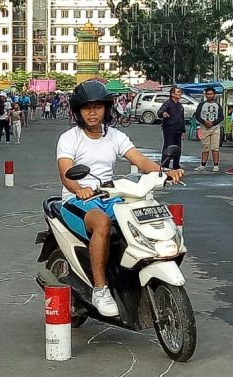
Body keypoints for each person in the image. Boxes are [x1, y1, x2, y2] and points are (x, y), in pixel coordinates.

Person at [56, 81, 184, 317]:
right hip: (78, 200)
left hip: (111, 195)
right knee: (102, 223)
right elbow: (66, 173)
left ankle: (132, 273)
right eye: (86, 108)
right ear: (78, 111)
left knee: (141, 215)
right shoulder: (69, 138)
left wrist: (163, 172)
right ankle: (100, 289)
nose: (92, 112)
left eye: (97, 107)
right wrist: (79, 189)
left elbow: (140, 160)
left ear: (106, 108)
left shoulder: (115, 136)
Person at [193, 87, 224, 172]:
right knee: (205, 147)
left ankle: (216, 165)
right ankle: (203, 165)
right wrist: (204, 122)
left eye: (211, 94)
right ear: (205, 95)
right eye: (208, 94)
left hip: (215, 129)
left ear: (214, 95)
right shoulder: (201, 105)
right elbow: (197, 116)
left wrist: (212, 123)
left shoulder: (217, 105)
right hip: (204, 128)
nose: (210, 96)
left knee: (215, 147)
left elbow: (221, 117)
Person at [157, 86, 185, 170]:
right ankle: (165, 165)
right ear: (172, 94)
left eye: (180, 92)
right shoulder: (167, 103)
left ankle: (176, 165)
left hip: (178, 130)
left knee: (178, 148)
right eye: (178, 92)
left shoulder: (180, 105)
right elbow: (160, 112)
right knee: (168, 147)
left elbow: (182, 118)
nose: (180, 94)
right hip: (169, 130)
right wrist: (163, 113)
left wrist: (183, 131)